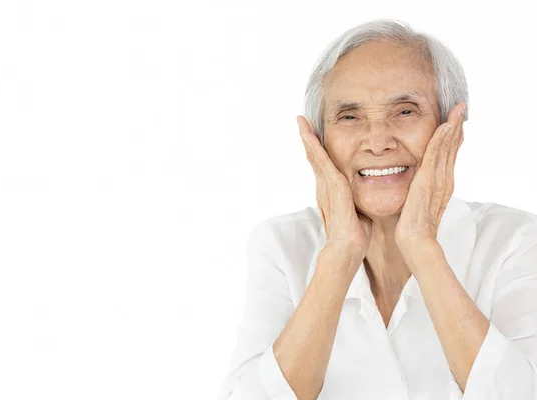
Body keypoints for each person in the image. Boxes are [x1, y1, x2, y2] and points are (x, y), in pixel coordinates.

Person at [217, 19, 537, 400]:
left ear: (452, 129)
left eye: (405, 112)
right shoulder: (282, 245)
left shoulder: (516, 241)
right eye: (350, 117)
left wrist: (422, 247)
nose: (378, 142)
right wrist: (338, 256)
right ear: (318, 141)